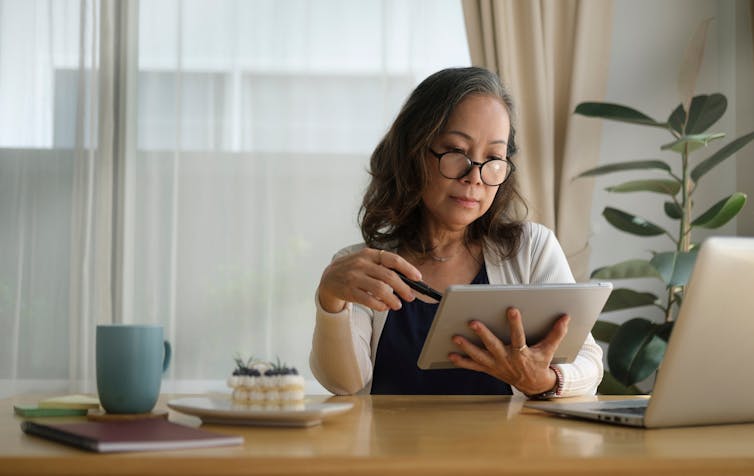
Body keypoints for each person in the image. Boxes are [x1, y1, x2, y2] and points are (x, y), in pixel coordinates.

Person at [309, 66, 603, 398]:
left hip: (507, 451)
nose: (474, 176)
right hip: (391, 451)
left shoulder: (530, 249)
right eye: (457, 152)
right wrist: (330, 300)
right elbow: (344, 385)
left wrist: (545, 380)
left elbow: (589, 363)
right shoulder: (361, 267)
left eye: (493, 157)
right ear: (414, 152)